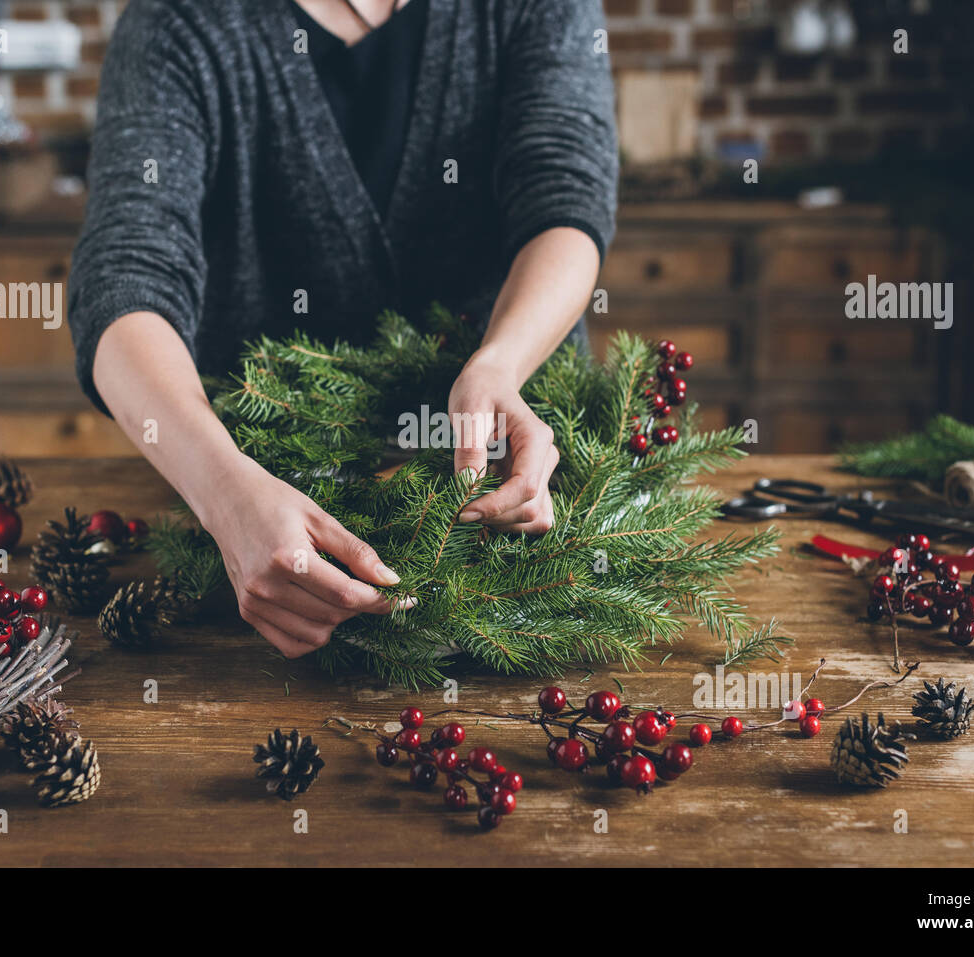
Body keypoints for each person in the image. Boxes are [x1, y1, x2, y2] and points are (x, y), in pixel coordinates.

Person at [68, 0, 618, 658]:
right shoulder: (176, 21)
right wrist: (223, 489)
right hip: (262, 542)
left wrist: (498, 364)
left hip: (523, 536)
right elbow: (127, 272)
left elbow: (566, 195)